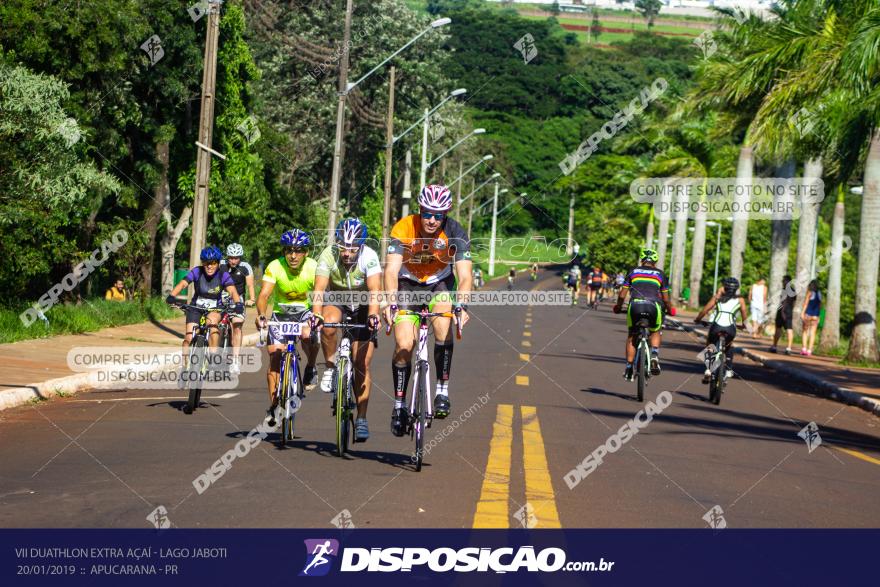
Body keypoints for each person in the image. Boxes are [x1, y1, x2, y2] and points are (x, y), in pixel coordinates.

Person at [384, 184, 472, 436]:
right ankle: (400, 405)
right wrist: (390, 303)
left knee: (443, 325)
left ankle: (442, 390)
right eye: (428, 213)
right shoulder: (404, 228)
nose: (432, 220)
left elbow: (464, 276)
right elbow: (390, 271)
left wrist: (462, 305)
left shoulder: (455, 231)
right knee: (404, 344)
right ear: (420, 210)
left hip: (439, 284)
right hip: (407, 284)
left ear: (445, 214)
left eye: (438, 215)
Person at [311, 218, 382, 442]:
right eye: (343, 247)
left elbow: (374, 291)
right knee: (328, 323)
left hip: (363, 304)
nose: (347, 253)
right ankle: (331, 367)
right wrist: (316, 315)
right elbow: (319, 290)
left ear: (360, 246)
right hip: (338, 298)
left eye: (351, 249)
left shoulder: (369, 256)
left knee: (362, 363)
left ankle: (361, 418)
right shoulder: (328, 254)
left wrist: (372, 316)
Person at [255, 228, 319, 425]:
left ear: (306, 252)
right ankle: (274, 405)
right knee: (274, 356)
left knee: (309, 336)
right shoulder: (275, 266)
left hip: (304, 313)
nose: (293, 255)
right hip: (280, 315)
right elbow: (264, 295)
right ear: (284, 252)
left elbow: (319, 295)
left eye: (298, 250)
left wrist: (317, 316)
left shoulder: (314, 267)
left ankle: (310, 367)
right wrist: (261, 315)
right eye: (289, 250)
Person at [166, 246, 242, 356]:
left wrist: (238, 303)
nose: (209, 266)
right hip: (196, 307)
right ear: (203, 263)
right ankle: (184, 367)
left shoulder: (223, 274)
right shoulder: (197, 271)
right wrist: (172, 295)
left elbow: (233, 291)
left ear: (218, 263)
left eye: (213, 263)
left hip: (215, 309)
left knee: (212, 325)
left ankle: (212, 356)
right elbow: (183, 283)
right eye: (206, 263)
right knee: (188, 337)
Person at [612, 248, 673, 380]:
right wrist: (670, 309)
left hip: (635, 306)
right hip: (653, 306)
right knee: (656, 330)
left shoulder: (633, 271)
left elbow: (622, 294)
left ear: (641, 260)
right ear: (655, 262)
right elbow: (666, 299)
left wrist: (618, 307)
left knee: (631, 335)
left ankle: (629, 367)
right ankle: (655, 355)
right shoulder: (661, 274)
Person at [694, 277, 747, 382]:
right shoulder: (740, 300)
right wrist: (743, 325)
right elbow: (744, 314)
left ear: (725, 288)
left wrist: (698, 319)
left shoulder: (717, 297)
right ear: (736, 288)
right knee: (729, 344)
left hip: (716, 326)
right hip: (731, 328)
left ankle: (709, 369)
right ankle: (728, 370)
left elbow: (705, 310)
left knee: (710, 342)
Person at [220, 243, 256, 375]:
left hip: (238, 299)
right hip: (221, 296)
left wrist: (251, 299)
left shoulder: (245, 267)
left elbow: (250, 285)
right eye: (231, 258)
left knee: (237, 325)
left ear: (240, 257)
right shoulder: (221, 264)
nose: (233, 260)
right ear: (227, 257)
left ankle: (235, 361)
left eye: (236, 258)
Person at [769, 275, 795, 355]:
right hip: (789, 312)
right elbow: (793, 303)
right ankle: (788, 348)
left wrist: (783, 312)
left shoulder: (784, 290)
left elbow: (784, 302)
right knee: (789, 329)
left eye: (784, 281)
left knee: (779, 329)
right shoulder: (793, 291)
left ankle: (774, 346)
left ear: (787, 281)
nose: (783, 282)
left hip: (782, 312)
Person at [800, 279, 822, 356]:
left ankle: (804, 349)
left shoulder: (809, 293)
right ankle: (809, 350)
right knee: (813, 333)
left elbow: (806, 304)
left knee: (805, 332)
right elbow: (820, 306)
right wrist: (819, 316)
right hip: (815, 315)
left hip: (808, 314)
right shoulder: (819, 293)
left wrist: (802, 313)